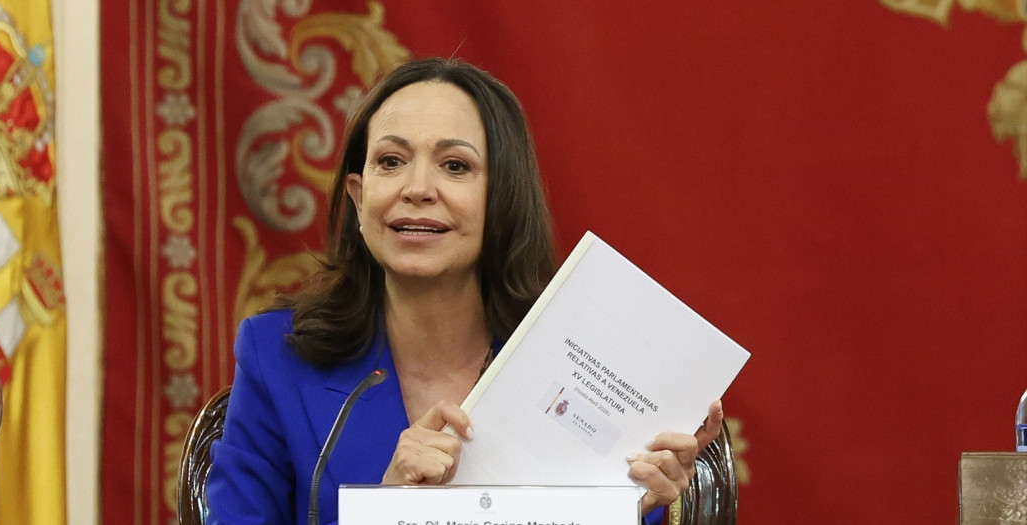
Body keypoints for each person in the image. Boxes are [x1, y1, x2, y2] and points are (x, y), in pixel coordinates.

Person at [205, 57, 724, 525]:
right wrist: (386, 512)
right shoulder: (276, 356)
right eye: (390, 161)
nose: (417, 188)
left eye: (455, 166)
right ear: (359, 199)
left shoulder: (591, 371)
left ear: (501, 199)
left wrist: (618, 509)